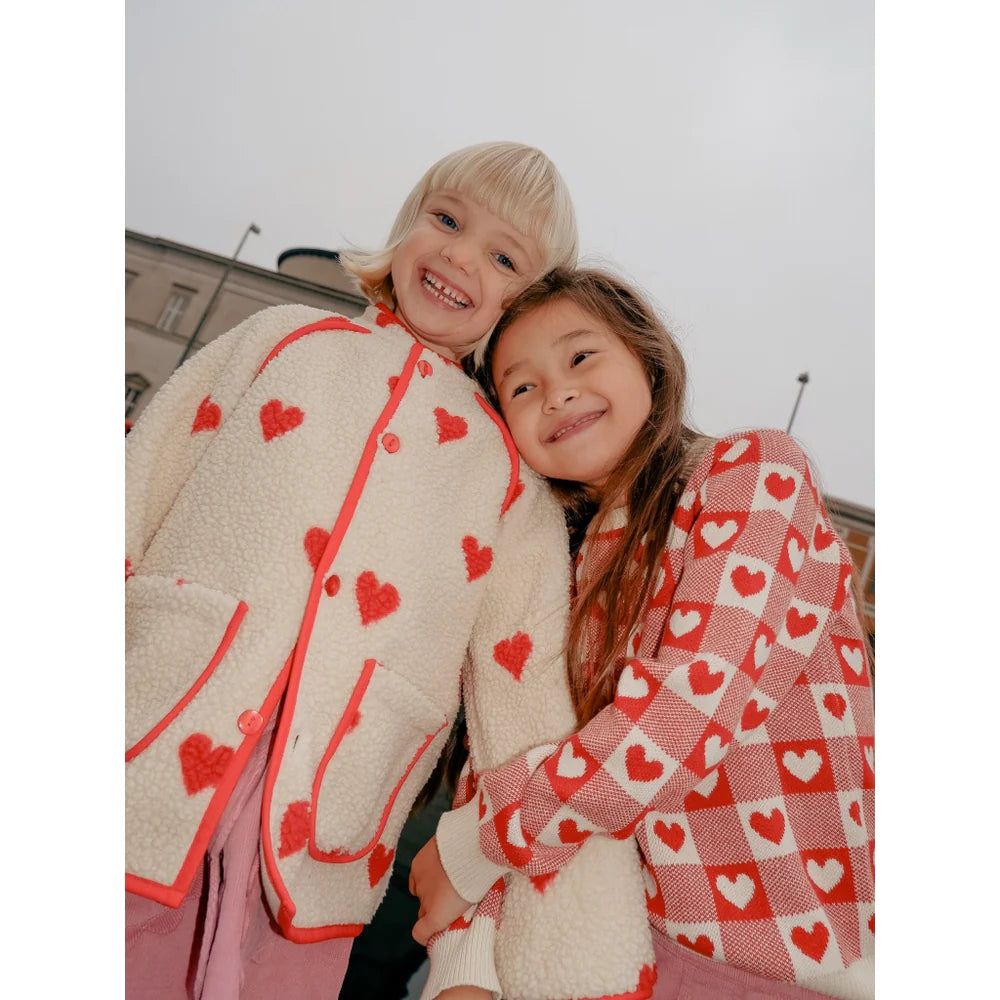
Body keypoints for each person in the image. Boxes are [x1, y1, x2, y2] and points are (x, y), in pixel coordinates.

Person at [125, 145, 653, 1000]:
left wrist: (541, 954)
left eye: (504, 257)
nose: (460, 257)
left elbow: (523, 715)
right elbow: (130, 501)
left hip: (318, 848)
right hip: (139, 761)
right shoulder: (278, 342)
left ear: (528, 301)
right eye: (447, 220)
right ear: (408, 221)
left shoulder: (506, 481)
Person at [411, 267, 875, 1000]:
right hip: (619, 953)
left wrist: (473, 845)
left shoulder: (751, 474)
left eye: (580, 356)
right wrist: (463, 969)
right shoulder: (555, 559)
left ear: (647, 359)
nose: (557, 392)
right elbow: (510, 742)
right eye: (522, 388)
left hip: (792, 963)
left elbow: (684, 716)